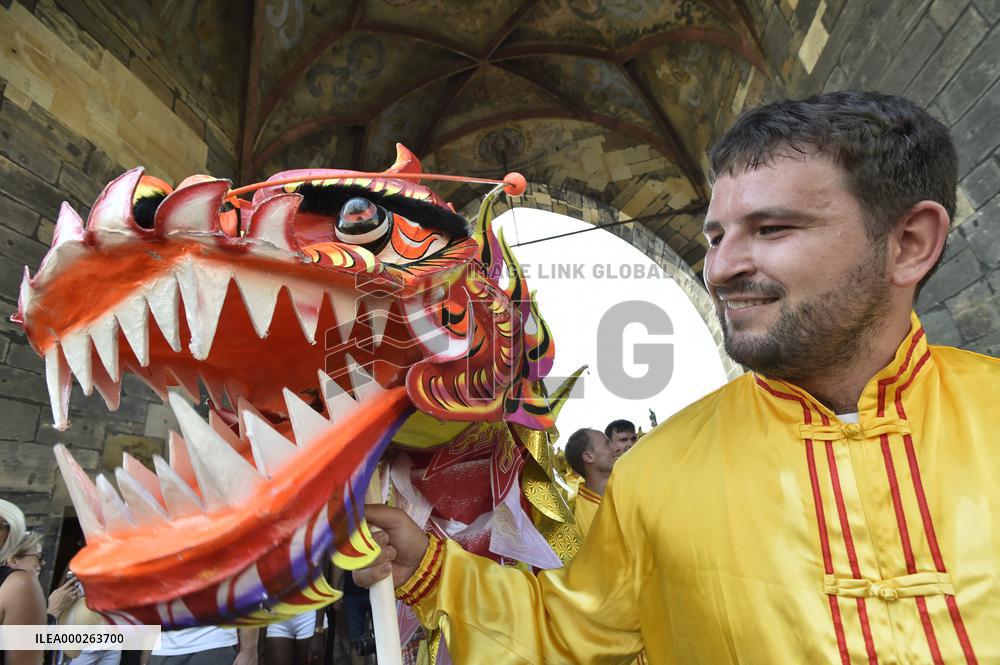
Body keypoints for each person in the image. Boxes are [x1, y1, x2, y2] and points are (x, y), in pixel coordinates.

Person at [354, 91, 1000, 663]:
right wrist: (429, 568)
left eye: (771, 228)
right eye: (715, 236)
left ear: (910, 242)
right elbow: (565, 636)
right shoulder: (652, 476)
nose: (720, 268)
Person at [1, 529, 47, 665]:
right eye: (38, 556)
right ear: (13, 560)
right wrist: (52, 616)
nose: (42, 563)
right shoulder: (21, 585)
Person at [563, 429, 615, 537]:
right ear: (589, 457)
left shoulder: (631, 489)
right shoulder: (574, 516)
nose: (616, 448)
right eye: (607, 444)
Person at [143, 626, 258, 665]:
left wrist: (249, 650)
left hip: (213, 643)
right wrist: (144, 659)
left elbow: (248, 585)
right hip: (162, 649)